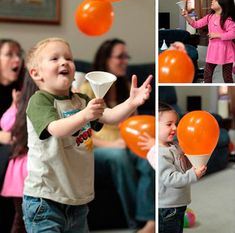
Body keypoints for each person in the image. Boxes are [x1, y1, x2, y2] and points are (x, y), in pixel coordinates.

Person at [22, 37, 152, 233]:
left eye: (68, 58)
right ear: (36, 73)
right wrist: (84, 115)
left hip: (77, 201)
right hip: (45, 199)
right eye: (54, 59)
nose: (64, 62)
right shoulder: (40, 100)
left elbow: (111, 117)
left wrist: (131, 103)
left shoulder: (81, 100)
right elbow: (56, 129)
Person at [80, 38, 155, 233]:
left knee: (150, 156)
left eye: (126, 57)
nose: (125, 61)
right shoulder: (88, 90)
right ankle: (136, 224)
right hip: (99, 147)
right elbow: (81, 132)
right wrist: (113, 145)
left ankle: (150, 221)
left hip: (126, 143)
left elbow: (135, 124)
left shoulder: (126, 87)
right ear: (106, 60)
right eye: (120, 57)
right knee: (120, 157)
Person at [158, 102, 207, 233]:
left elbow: (183, 166)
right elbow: (170, 179)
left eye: (176, 123)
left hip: (178, 203)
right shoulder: (160, 153)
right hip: (167, 207)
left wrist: (194, 160)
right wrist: (194, 175)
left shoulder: (175, 146)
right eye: (169, 124)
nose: (175, 128)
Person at [1, 71, 38, 233]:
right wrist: (15, 105)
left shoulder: (23, 107)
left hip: (22, 170)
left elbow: (5, 123)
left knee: (22, 218)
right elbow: (6, 125)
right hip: (27, 170)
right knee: (25, 217)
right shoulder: (28, 107)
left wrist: (14, 105)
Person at [181, 0, 235, 83]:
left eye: (215, 0)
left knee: (227, 77)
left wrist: (217, 35)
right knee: (207, 74)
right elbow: (196, 24)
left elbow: (233, 34)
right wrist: (187, 16)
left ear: (223, 4)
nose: (212, 1)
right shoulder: (210, 17)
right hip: (212, 51)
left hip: (226, 52)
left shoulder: (228, 20)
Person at [0, 39, 25, 232]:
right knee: (9, 152)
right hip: (7, 144)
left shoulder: (24, 88)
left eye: (19, 54)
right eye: (9, 54)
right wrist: (5, 137)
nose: (17, 59)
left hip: (19, 143)